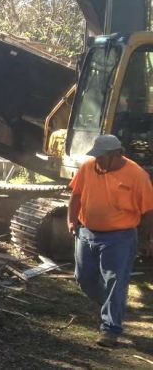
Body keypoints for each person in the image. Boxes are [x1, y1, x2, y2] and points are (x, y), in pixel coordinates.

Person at [68, 134, 153, 347]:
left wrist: (145, 239)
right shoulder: (88, 167)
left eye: (101, 157)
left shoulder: (137, 175)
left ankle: (110, 329)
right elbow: (76, 194)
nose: (97, 160)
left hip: (120, 237)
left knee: (115, 281)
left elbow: (149, 211)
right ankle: (111, 305)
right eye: (95, 156)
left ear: (116, 154)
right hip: (86, 232)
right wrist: (71, 220)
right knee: (83, 278)